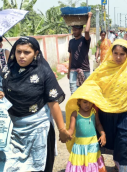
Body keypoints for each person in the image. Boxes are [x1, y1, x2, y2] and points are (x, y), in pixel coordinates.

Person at [67, 39, 127, 172]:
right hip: (106, 113)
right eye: (116, 53)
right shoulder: (104, 68)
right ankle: (115, 165)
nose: (118, 57)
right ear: (111, 53)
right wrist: (79, 97)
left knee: (124, 140)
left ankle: (124, 168)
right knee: (111, 140)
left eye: (122, 54)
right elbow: (92, 85)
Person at [0, 36, 72, 172]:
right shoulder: (7, 71)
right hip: (13, 130)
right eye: (18, 51)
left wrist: (62, 129)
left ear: (36, 53)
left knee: (38, 167)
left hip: (38, 128)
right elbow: (2, 89)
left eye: (27, 52)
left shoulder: (44, 72)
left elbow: (53, 103)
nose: (22, 56)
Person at [65, 97, 107, 172]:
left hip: (92, 145)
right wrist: (67, 135)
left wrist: (103, 134)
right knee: (80, 164)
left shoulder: (93, 112)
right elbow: (71, 129)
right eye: (85, 102)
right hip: (80, 146)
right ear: (79, 102)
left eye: (90, 102)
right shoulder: (75, 113)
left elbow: (98, 124)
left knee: (92, 163)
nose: (88, 105)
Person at [68, 12, 93, 95]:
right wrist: (68, 71)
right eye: (73, 30)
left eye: (75, 30)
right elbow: (70, 56)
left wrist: (89, 17)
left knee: (86, 93)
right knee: (73, 93)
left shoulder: (85, 40)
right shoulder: (71, 42)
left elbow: (87, 31)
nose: (74, 31)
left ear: (81, 30)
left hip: (85, 70)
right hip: (73, 70)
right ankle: (75, 108)